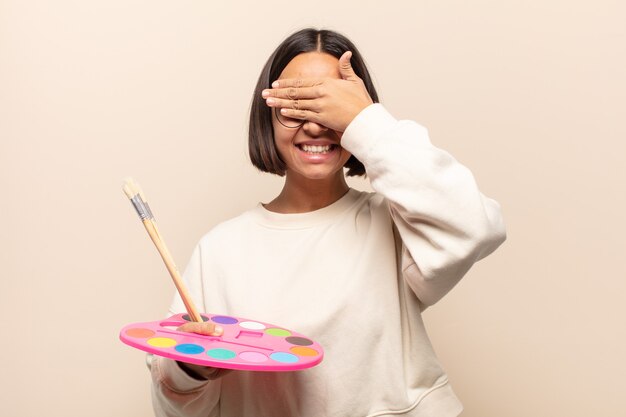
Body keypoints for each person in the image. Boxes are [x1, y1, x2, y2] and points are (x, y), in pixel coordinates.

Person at [149, 28, 506, 417]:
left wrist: (366, 123)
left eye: (329, 105)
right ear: (266, 117)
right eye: (296, 104)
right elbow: (176, 406)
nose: (316, 125)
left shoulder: (397, 223)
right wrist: (189, 368)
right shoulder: (221, 249)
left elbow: (476, 226)